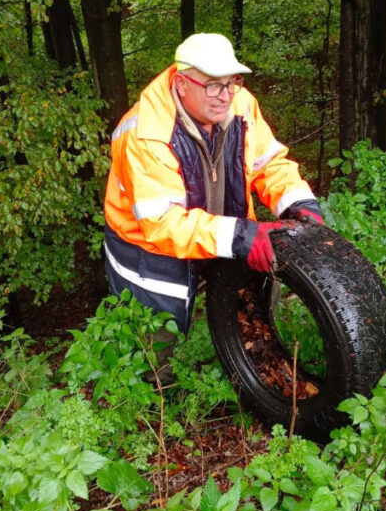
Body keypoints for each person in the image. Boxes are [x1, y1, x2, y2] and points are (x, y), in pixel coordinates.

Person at [104, 33, 323, 333]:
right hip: (150, 252)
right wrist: (240, 236)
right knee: (157, 344)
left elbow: (268, 162)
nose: (226, 95)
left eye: (232, 82)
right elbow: (162, 224)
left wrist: (299, 204)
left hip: (218, 229)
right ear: (181, 84)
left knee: (250, 320)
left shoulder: (240, 104)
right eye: (213, 85)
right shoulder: (145, 132)